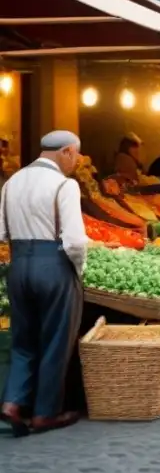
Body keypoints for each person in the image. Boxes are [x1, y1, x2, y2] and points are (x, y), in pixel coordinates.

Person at [0, 130, 88, 435]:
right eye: (75, 155)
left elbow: (1, 232)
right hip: (54, 264)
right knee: (56, 340)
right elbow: (75, 241)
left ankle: (12, 402)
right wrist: (78, 270)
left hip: (18, 263)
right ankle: (45, 413)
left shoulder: (12, 182)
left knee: (23, 338)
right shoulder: (65, 185)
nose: (76, 161)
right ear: (65, 151)